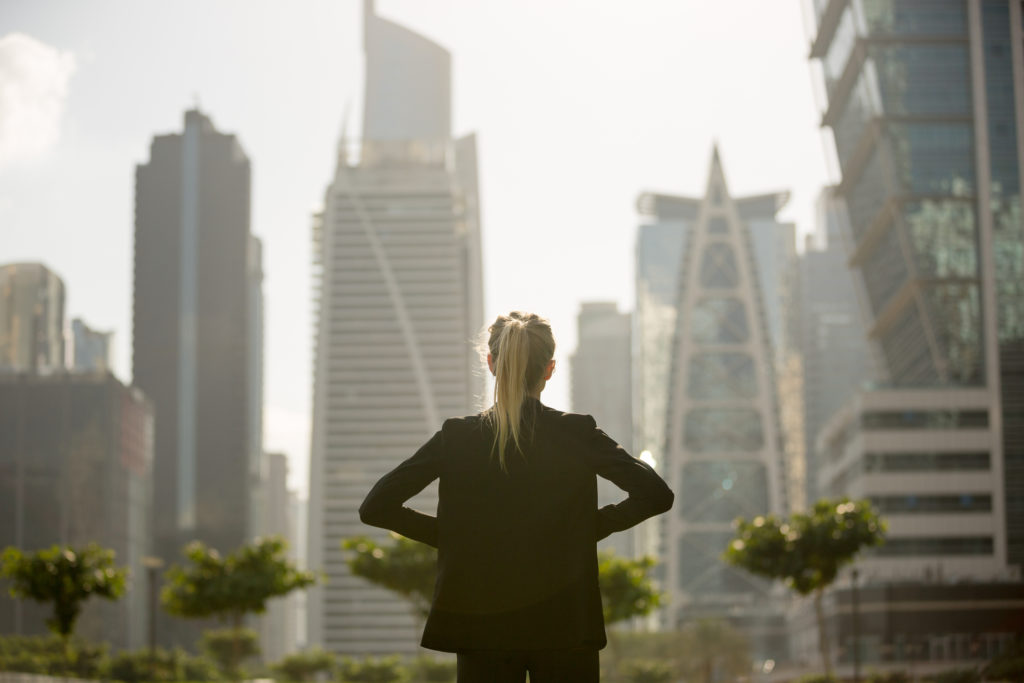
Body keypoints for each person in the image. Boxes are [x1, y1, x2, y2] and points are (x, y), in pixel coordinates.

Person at [359, 311, 674, 683]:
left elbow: (376, 507)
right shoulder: (577, 433)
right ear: (550, 369)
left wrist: (453, 536)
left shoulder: (458, 437)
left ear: (492, 364)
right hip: (566, 623)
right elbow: (655, 495)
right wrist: (589, 528)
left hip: (481, 627)